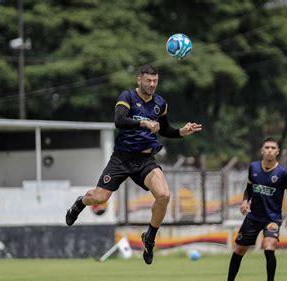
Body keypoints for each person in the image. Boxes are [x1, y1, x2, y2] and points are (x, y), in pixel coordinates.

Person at [65, 64, 202, 264]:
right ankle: (79, 203)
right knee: (99, 197)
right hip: (122, 158)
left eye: (155, 81)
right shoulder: (127, 96)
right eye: (148, 80)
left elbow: (163, 129)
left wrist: (181, 132)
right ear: (139, 79)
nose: (152, 84)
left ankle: (150, 238)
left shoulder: (160, 103)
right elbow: (119, 121)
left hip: (145, 160)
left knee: (163, 195)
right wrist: (143, 122)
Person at [217, 137, 287, 281]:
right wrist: (245, 201)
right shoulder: (253, 167)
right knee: (239, 249)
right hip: (253, 217)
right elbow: (248, 189)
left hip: (272, 218)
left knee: (269, 246)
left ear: (277, 152)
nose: (269, 150)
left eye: (273, 148)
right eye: (267, 147)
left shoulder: (283, 172)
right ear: (262, 150)